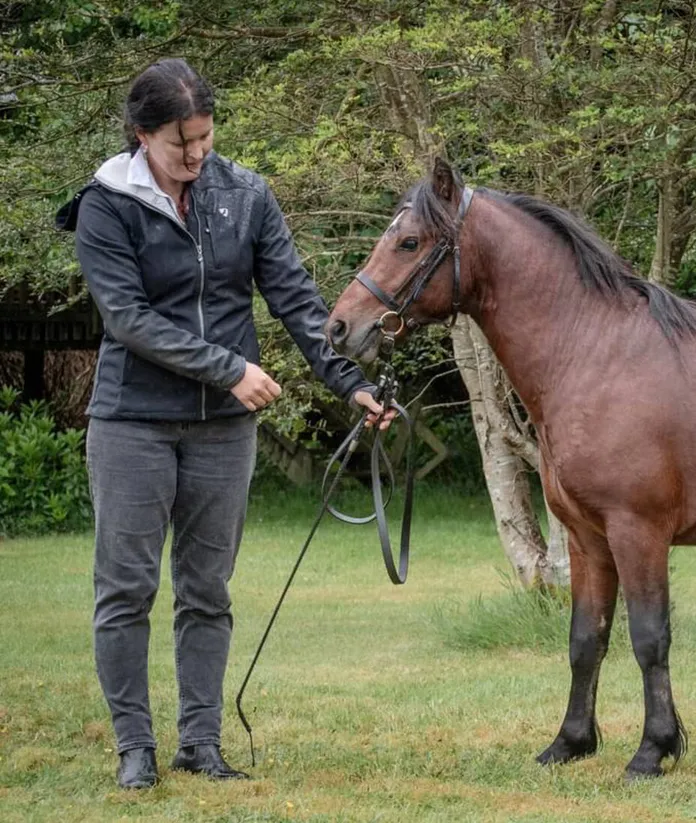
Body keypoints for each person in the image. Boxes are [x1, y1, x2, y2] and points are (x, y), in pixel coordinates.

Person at [56, 58, 392, 789]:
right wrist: (230, 368)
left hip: (220, 431)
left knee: (207, 589)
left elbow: (298, 301)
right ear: (143, 134)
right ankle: (134, 747)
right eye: (182, 142)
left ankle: (199, 744)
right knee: (127, 588)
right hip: (133, 420)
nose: (198, 155)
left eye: (205, 137)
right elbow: (129, 320)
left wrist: (352, 385)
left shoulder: (246, 195)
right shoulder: (105, 204)